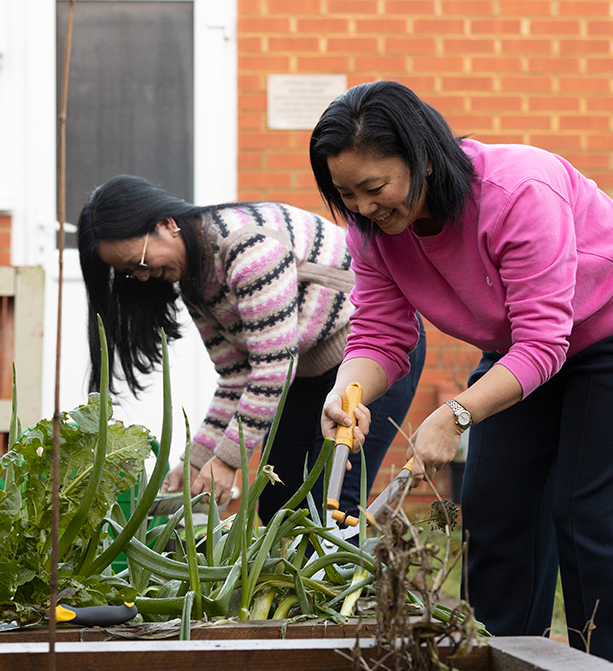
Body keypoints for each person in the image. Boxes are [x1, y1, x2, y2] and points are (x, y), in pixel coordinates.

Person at [309, 79, 613, 660]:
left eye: (374, 187)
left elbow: (547, 340)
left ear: (422, 158)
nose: (364, 207)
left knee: (587, 516)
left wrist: (455, 415)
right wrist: (349, 391)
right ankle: (501, 656)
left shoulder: (518, 189)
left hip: (603, 333)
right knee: (496, 515)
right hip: (519, 350)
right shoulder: (372, 230)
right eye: (346, 194)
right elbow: (382, 334)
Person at [77, 174, 425, 527]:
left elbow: (274, 367)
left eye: (139, 262)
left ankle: (359, 580)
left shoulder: (246, 248)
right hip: (305, 371)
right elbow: (236, 377)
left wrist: (228, 461)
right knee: (278, 499)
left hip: (374, 353)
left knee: (333, 503)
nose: (142, 276)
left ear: (166, 225)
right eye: (128, 273)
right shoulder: (194, 279)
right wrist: (197, 458)